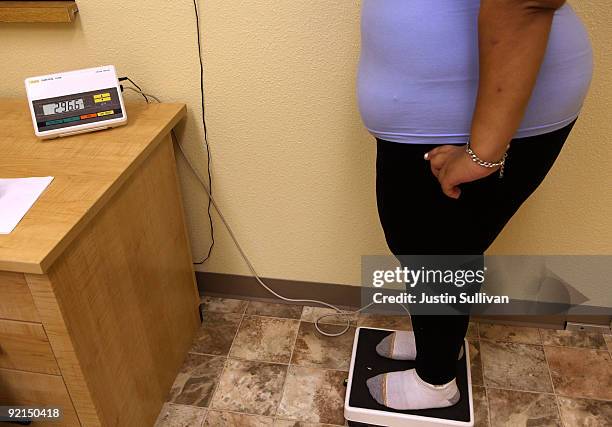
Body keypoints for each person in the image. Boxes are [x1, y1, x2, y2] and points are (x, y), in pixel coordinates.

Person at [358, 0, 592, 410]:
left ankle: (435, 382)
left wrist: (482, 154)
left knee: (434, 255)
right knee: (431, 251)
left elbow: (526, 3)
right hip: (445, 110)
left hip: (464, 120)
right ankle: (439, 346)